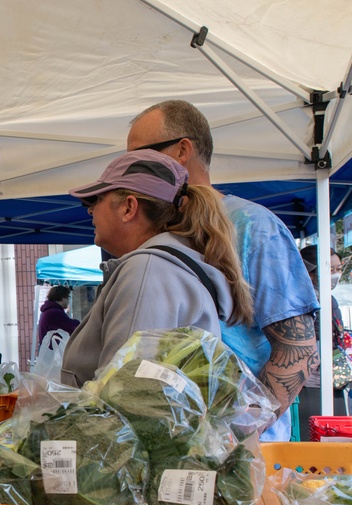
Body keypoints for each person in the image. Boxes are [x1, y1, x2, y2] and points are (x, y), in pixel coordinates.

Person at [127, 100, 319, 441]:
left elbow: (299, 349)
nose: (131, 170)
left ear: (183, 150)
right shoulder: (154, 236)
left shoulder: (253, 226)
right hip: (171, 450)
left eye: (140, 157)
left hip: (244, 458)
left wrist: (233, 435)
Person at [61, 149, 253, 386]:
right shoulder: (164, 267)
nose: (90, 210)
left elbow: (123, 395)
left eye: (97, 199)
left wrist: (45, 402)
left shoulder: (147, 271)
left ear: (128, 207)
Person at [297, 245, 348, 431]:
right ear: (310, 274)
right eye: (330, 269)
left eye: (338, 269)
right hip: (310, 385)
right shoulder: (304, 301)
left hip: (333, 379)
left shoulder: (330, 300)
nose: (336, 274)